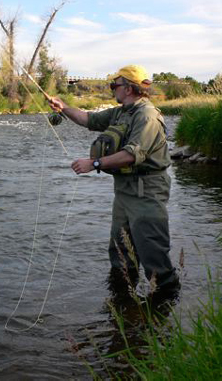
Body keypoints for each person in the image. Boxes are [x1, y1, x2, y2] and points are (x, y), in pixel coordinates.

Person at [48, 65, 180, 299]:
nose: (112, 90)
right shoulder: (121, 112)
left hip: (147, 190)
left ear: (129, 88)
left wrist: (94, 164)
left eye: (114, 86)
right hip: (124, 191)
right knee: (120, 253)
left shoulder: (147, 115)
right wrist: (64, 108)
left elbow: (131, 154)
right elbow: (89, 119)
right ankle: (122, 309)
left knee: (153, 253)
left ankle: (163, 312)